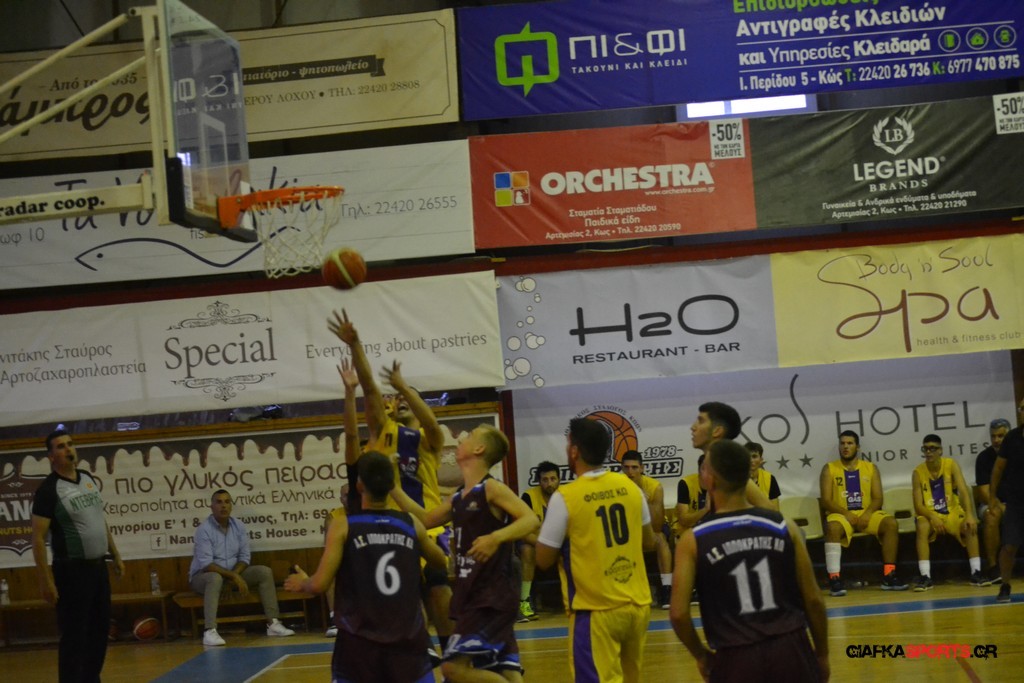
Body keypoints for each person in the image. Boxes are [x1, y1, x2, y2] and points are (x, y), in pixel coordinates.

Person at [328, 308, 454, 653]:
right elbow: (369, 388)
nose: (398, 402)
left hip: (427, 524)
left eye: (407, 398)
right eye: (396, 398)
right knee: (403, 593)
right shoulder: (382, 432)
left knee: (439, 587)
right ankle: (420, 650)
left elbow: (432, 424)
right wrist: (356, 346)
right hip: (389, 524)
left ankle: (451, 652)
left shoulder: (428, 441)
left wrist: (404, 387)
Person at [669, 439, 829, 683]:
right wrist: (823, 654)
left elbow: (679, 614)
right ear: (748, 476)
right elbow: (814, 600)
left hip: (735, 656)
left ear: (709, 480)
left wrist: (701, 655)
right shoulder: (785, 527)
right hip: (791, 650)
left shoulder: (693, 540)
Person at [391, 423, 539, 682]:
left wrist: (496, 537)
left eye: (469, 436)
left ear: (479, 449)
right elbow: (425, 519)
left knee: (451, 669)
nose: (462, 439)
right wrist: (392, 486)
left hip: (491, 596)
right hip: (474, 594)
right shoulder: (459, 496)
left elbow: (530, 519)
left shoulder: (491, 488)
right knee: (505, 669)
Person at [286, 451, 447, 683]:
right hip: (407, 642)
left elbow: (319, 584)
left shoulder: (343, 526)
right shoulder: (411, 523)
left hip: (359, 643)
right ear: (391, 485)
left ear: (359, 484)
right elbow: (440, 561)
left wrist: (302, 582)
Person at [536, 418, 656, 683]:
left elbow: (543, 559)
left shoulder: (566, 497)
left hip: (596, 609)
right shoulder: (631, 488)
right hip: (637, 604)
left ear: (574, 451)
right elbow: (650, 542)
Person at [31, 428, 125, 683]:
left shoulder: (87, 478)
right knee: (75, 635)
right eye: (61, 446)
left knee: (100, 629)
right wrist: (46, 581)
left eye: (70, 444)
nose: (68, 449)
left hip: (98, 568)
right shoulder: (48, 491)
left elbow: (99, 519)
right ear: (51, 456)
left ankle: (91, 678)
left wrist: (115, 553)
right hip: (71, 572)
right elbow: (38, 538)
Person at [187, 489, 296, 646]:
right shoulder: (204, 530)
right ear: (211, 506)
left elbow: (244, 557)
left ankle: (273, 623)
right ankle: (209, 631)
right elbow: (207, 565)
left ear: (231, 506)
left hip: (231, 574)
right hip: (203, 577)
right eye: (219, 502)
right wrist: (233, 577)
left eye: (227, 502)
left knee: (264, 572)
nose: (223, 506)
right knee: (215, 578)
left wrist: (233, 576)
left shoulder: (239, 526)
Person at [819, 431, 908, 596]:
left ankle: (889, 575)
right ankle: (834, 579)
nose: (845, 447)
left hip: (866, 514)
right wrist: (846, 513)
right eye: (842, 443)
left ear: (857, 447)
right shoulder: (829, 469)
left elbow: (878, 498)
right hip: (841, 515)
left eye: (850, 443)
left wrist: (867, 514)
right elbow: (826, 500)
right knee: (832, 528)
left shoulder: (871, 468)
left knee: (890, 524)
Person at [910, 434, 986, 590]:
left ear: (940, 450)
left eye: (933, 448)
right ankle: (925, 576)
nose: (929, 452)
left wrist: (969, 514)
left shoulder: (951, 465)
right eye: (925, 449)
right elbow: (918, 505)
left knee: (969, 525)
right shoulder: (917, 472)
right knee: (922, 526)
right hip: (930, 514)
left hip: (951, 512)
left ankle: (976, 573)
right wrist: (933, 517)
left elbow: (963, 491)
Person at [621, 449, 674, 609]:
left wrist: (642, 500)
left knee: (660, 539)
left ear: (642, 468)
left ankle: (667, 589)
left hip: (651, 528)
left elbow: (657, 525)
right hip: (627, 529)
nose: (630, 472)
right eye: (627, 467)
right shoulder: (617, 486)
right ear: (622, 468)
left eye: (634, 467)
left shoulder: (654, 487)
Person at [988, 397, 1024, 603]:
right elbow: (998, 468)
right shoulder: (1012, 438)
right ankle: (1005, 585)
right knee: (1009, 546)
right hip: (1017, 502)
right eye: (1022, 408)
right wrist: (992, 497)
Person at [518, 460, 561, 621]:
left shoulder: (567, 496)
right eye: (545, 480)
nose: (549, 483)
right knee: (526, 550)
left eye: (553, 479)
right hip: (536, 545)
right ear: (539, 481)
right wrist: (544, 545)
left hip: (560, 545)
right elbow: (523, 532)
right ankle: (524, 601)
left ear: (559, 479)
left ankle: (577, 598)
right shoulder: (528, 497)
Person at [975, 418, 1011, 584]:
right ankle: (993, 566)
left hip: (1017, 502)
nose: (996, 440)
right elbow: (984, 492)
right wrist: (1001, 506)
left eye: (1000, 436)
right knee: (991, 515)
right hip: (992, 502)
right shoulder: (984, 458)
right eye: (993, 436)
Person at [746, 442, 781, 511]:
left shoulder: (769, 478)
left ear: (761, 460)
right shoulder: (735, 479)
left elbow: (776, 510)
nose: (751, 460)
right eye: (747, 456)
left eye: (754, 456)